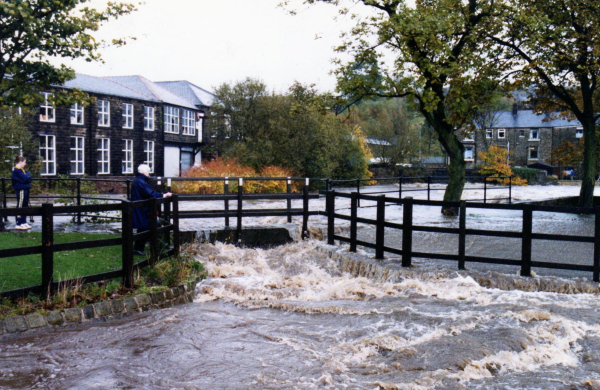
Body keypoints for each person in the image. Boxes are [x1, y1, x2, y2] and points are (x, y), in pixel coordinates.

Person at [131, 164, 172, 256]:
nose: (149, 173)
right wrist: (163, 195)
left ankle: (138, 248)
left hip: (140, 207)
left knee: (142, 228)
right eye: (148, 171)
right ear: (144, 172)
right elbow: (150, 193)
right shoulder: (141, 182)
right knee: (145, 227)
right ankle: (140, 248)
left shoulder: (138, 181)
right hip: (142, 209)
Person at [11, 156, 32, 230]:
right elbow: (25, 178)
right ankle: (18, 223)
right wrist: (27, 176)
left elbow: (26, 177)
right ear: (20, 162)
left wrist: (27, 176)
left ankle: (23, 221)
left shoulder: (21, 170)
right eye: (24, 162)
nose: (25, 164)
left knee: (25, 205)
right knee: (20, 205)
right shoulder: (16, 170)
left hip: (25, 189)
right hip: (21, 189)